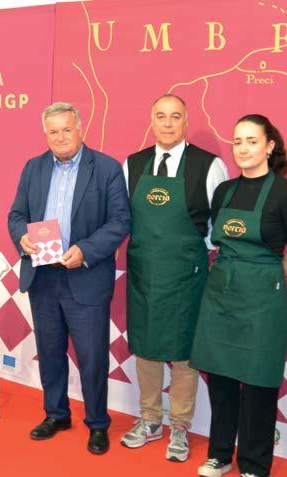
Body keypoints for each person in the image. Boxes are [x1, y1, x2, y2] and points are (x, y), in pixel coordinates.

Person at [8, 102, 130, 455]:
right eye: (53, 131)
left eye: (66, 129)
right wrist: (22, 236)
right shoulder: (33, 168)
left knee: (92, 357)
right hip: (43, 277)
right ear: (44, 134)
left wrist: (85, 250)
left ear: (80, 128)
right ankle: (56, 414)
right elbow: (16, 215)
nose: (60, 137)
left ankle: (97, 423)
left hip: (86, 276)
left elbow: (120, 221)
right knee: (50, 352)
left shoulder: (106, 168)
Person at [121, 94, 228, 462]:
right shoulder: (132, 164)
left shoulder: (209, 165)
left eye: (175, 117)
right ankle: (150, 419)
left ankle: (180, 425)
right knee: (146, 349)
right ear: (152, 120)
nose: (168, 124)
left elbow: (218, 226)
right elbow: (122, 217)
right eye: (161, 116)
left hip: (186, 275)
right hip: (144, 273)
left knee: (184, 353)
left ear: (186, 121)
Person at [190, 114, 287, 477]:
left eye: (252, 140)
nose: (243, 148)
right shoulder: (224, 191)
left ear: (269, 146)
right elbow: (217, 240)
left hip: (264, 297)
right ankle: (219, 454)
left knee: (259, 380)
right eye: (238, 141)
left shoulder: (282, 193)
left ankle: (255, 463)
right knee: (221, 377)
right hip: (221, 293)